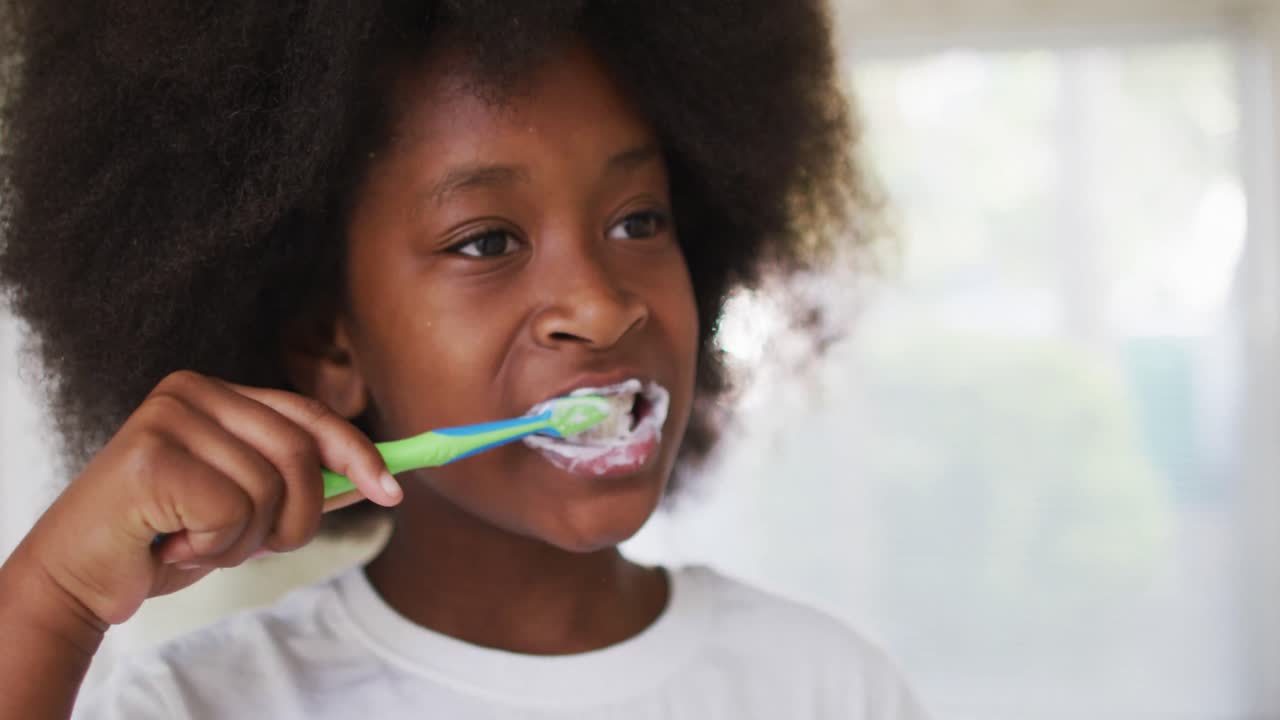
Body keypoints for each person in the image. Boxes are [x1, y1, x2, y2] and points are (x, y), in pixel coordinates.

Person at [0, 1, 927, 717]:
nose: (602, 308)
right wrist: (54, 600)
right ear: (331, 344)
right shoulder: (207, 702)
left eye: (639, 220)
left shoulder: (824, 686)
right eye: (486, 241)